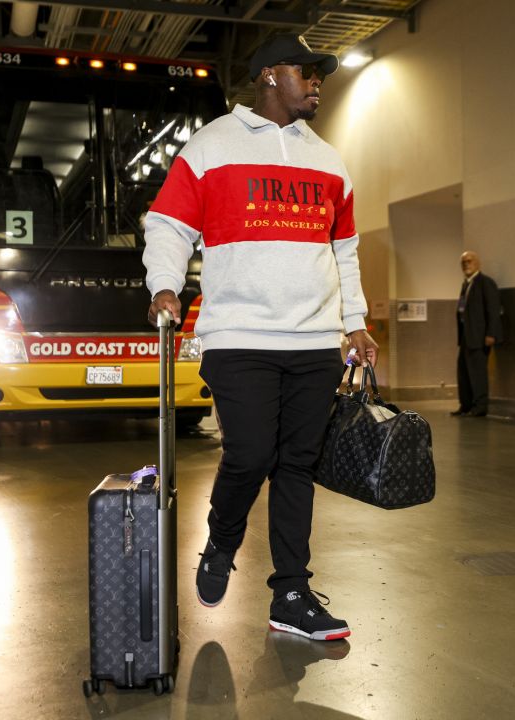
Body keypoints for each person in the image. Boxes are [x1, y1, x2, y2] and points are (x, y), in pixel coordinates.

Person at [142, 33, 377, 642]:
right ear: (270, 76)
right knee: (249, 455)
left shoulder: (329, 160)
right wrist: (164, 285)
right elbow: (168, 224)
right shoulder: (212, 146)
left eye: (320, 74)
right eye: (307, 72)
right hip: (238, 336)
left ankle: (291, 593)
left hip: (314, 341)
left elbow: (344, 250)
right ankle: (221, 542)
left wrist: (355, 321)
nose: (317, 82)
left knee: (297, 465)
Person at [451, 251, 502, 418]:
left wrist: (491, 334)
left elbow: (493, 310)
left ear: (477, 263)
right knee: (463, 371)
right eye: (463, 262)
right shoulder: (466, 284)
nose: (466, 264)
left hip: (480, 337)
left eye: (469, 261)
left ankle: (480, 407)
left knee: (478, 373)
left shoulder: (485, 283)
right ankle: (465, 405)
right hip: (466, 336)